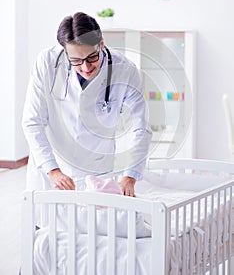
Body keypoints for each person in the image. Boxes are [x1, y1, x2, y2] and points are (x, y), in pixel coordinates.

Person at [22, 12, 152, 203]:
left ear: (101, 43)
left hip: (96, 168)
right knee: (45, 226)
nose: (85, 67)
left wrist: (130, 177)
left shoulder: (125, 70)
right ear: (65, 52)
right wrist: (53, 170)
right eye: (76, 60)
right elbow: (32, 121)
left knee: (95, 227)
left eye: (92, 57)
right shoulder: (47, 63)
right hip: (52, 167)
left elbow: (140, 127)